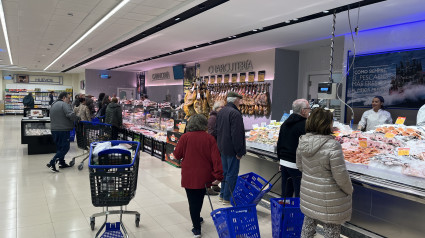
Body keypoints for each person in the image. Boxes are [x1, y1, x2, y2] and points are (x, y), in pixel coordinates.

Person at [296, 108, 353, 238]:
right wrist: (349, 189)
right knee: (331, 230)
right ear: (327, 124)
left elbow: (300, 165)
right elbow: (341, 176)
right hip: (330, 198)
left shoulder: (302, 141)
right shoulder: (333, 145)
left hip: (309, 193)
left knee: (308, 226)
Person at [173, 114, 223, 238]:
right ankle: (197, 218)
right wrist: (218, 175)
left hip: (189, 175)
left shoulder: (185, 137)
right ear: (204, 125)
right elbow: (216, 159)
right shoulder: (210, 138)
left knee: (192, 201)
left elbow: (176, 155)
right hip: (204, 175)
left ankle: (196, 228)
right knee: (199, 199)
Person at [216, 91, 246, 205]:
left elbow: (218, 130)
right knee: (232, 174)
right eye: (239, 99)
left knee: (225, 172)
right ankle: (227, 198)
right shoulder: (235, 113)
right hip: (232, 149)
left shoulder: (221, 111)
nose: (240, 101)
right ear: (235, 100)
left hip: (223, 147)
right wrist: (239, 151)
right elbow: (237, 134)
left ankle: (222, 194)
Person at [276, 99, 310, 198]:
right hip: (297, 165)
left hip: (284, 163)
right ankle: (298, 213)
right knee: (300, 195)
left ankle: (284, 213)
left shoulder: (285, 123)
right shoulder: (306, 125)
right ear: (303, 111)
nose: (309, 111)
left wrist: (280, 160)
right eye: (308, 109)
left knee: (286, 194)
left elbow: (280, 143)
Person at [47, 92, 80, 172]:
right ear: (64, 97)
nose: (69, 100)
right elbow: (70, 114)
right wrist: (78, 118)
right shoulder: (64, 104)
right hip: (63, 130)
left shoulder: (54, 104)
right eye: (68, 98)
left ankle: (62, 163)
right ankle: (52, 162)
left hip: (54, 129)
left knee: (60, 148)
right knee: (65, 147)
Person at [206, 100, 225, 196]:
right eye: (221, 107)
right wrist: (222, 132)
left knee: (216, 166)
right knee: (212, 167)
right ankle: (208, 187)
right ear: (216, 108)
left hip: (217, 145)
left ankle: (214, 185)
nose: (223, 109)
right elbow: (211, 133)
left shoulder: (218, 117)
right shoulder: (213, 118)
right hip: (214, 145)